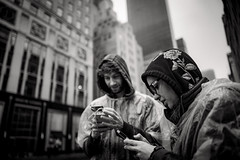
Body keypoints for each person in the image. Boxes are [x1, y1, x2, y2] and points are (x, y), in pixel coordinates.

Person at [123, 48, 240, 160]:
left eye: (155, 87)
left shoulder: (219, 102)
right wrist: (123, 126)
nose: (155, 96)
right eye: (152, 91)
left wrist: (154, 155)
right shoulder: (188, 113)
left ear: (174, 77)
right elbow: (169, 146)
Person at [77, 54, 166, 160]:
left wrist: (124, 127)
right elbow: (87, 151)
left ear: (124, 76)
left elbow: (158, 144)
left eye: (115, 76)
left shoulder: (146, 104)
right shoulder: (94, 107)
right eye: (107, 78)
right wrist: (93, 136)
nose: (112, 83)